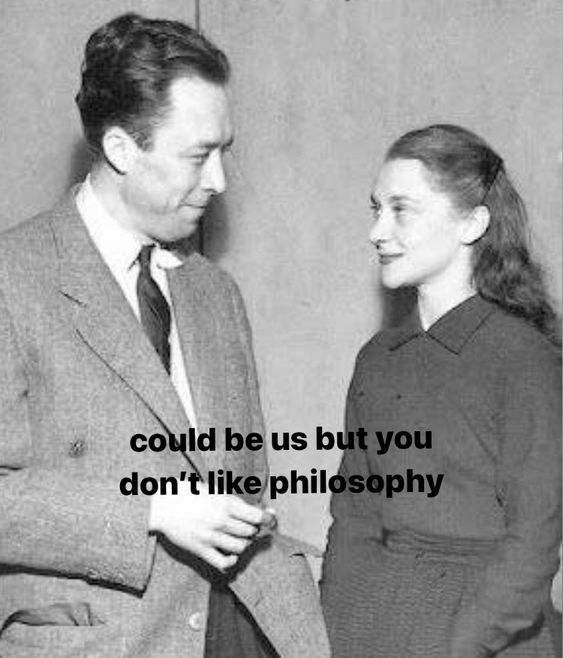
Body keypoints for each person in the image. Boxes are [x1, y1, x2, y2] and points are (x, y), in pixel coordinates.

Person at [0, 13, 329, 658]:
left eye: (224, 152)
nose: (219, 181)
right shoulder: (14, 279)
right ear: (122, 149)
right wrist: (153, 511)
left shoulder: (216, 292)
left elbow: (245, 481)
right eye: (198, 156)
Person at [320, 124, 561, 657]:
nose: (377, 231)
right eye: (376, 209)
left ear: (472, 223)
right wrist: (335, 637)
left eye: (401, 210)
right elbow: (354, 518)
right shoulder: (377, 360)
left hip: (490, 635)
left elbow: (534, 542)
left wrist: (459, 647)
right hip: (379, 624)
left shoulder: (524, 358)